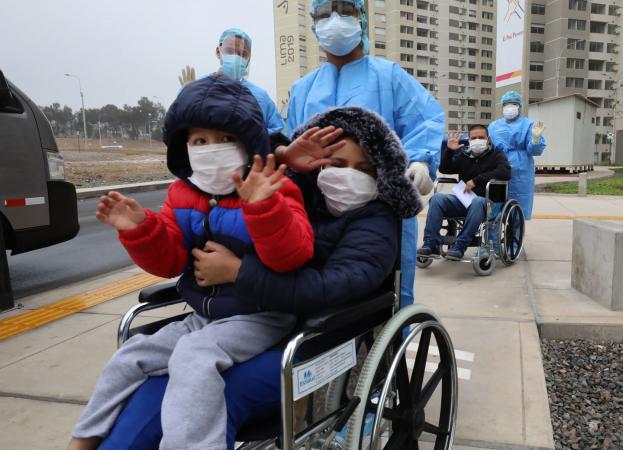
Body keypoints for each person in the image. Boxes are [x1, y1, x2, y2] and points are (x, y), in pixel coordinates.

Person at [91, 106, 423, 450]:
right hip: (245, 322)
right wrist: (284, 155)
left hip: (313, 339)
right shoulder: (298, 196)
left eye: (364, 169)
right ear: (319, 165)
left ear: (382, 175)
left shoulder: (376, 223)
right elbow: (253, 158)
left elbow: (331, 288)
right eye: (337, 164)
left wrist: (238, 272)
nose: (348, 176)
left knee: (212, 395)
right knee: (155, 389)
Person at [68, 75, 315, 450]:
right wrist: (141, 230)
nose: (211, 150)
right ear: (184, 148)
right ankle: (83, 439)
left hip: (261, 316)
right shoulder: (182, 194)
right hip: (205, 316)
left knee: (194, 355)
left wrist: (264, 208)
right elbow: (170, 260)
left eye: (225, 138)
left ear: (248, 143)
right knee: (130, 355)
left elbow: (292, 255)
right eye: (200, 141)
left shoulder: (273, 187)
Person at [280, 0, 445, 309]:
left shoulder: (388, 77)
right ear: (314, 24)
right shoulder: (303, 89)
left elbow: (425, 119)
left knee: (386, 299)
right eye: (325, 13)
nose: (335, 19)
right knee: (315, 293)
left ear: (362, 20)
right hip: (317, 212)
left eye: (346, 10)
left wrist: (420, 160)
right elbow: (291, 149)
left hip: (378, 211)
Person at [418, 125, 511, 260]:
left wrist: (476, 180)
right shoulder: (464, 155)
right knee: (437, 198)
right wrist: (450, 151)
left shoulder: (496, 155)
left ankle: (460, 246)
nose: (477, 140)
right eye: (474, 138)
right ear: (469, 140)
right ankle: (430, 244)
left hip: (488, 203)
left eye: (481, 137)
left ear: (488, 139)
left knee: (477, 201)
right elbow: (445, 169)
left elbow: (505, 172)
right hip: (464, 200)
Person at [179, 28, 286, 134]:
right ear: (218, 52)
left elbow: (278, 132)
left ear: (249, 58)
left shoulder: (261, 96)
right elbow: (179, 128)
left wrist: (251, 136)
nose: (236, 57)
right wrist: (188, 99)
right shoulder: (197, 87)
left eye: (242, 54)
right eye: (230, 51)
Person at [488, 90, 547, 220]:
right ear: (502, 106)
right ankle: (492, 233)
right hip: (497, 167)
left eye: (514, 104)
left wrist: (535, 140)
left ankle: (515, 233)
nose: (510, 107)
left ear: (520, 107)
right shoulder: (493, 126)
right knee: (493, 207)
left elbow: (534, 151)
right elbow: (488, 148)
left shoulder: (528, 125)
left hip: (521, 172)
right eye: (506, 104)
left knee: (517, 207)